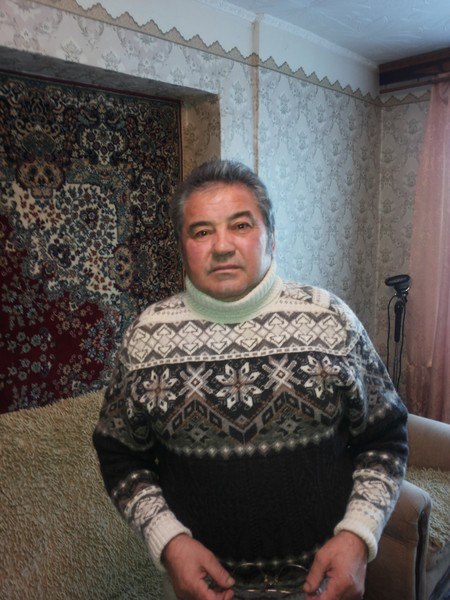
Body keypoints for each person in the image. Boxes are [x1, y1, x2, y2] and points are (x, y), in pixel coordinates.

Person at [93, 160, 408, 600]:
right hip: (204, 590)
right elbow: (121, 456)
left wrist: (358, 536)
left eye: (240, 225)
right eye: (201, 232)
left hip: (324, 585)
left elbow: (385, 439)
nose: (222, 246)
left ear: (271, 237)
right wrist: (169, 543)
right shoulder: (144, 339)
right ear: (182, 247)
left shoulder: (332, 321)